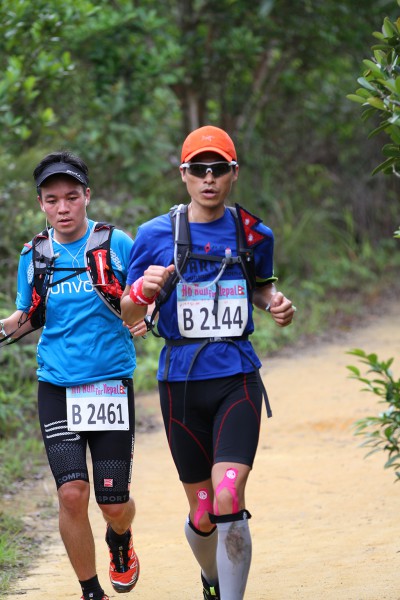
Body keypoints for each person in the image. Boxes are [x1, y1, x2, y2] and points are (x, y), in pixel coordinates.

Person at [120, 125, 296, 599]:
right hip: (180, 385)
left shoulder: (254, 233)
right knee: (203, 513)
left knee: (229, 494)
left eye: (218, 168)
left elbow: (260, 286)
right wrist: (143, 291)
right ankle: (212, 581)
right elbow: (128, 313)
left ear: (234, 173)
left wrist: (275, 303)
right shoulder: (154, 235)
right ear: (184, 174)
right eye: (199, 169)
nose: (209, 177)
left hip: (237, 376)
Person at [0, 151, 144, 600]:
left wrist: (144, 315)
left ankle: (120, 538)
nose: (62, 208)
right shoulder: (35, 254)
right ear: (41, 204)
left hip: (109, 383)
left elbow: (141, 299)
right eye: (52, 199)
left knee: (113, 503)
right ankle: (90, 591)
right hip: (57, 385)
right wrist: (3, 328)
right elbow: (28, 315)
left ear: (87, 196)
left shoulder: (116, 243)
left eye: (71, 197)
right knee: (71, 494)